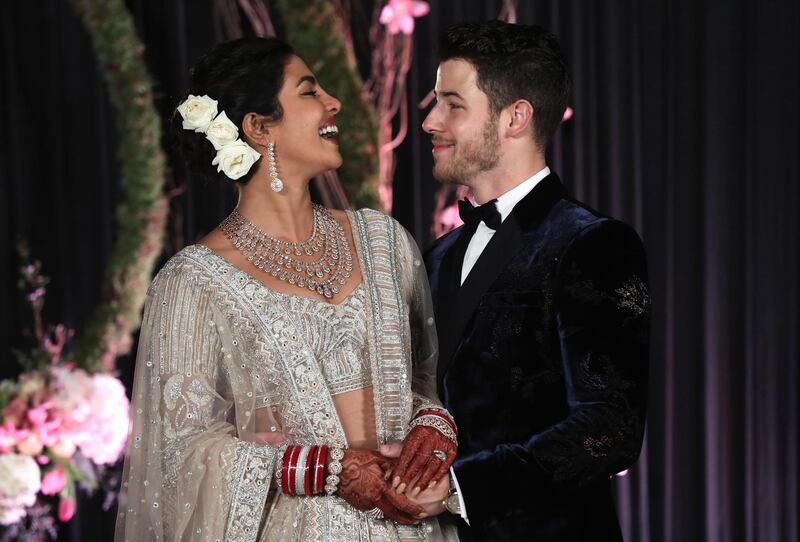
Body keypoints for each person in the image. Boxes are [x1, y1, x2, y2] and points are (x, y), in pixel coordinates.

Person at [114, 37, 459, 542]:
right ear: (258, 128)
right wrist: (321, 467)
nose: (332, 103)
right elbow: (179, 455)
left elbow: (428, 381)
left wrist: (434, 428)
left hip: (414, 525)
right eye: (308, 91)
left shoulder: (383, 241)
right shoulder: (193, 283)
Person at [416, 21, 651, 541]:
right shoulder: (436, 256)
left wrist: (460, 487)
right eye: (435, 102)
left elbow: (610, 430)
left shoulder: (595, 244)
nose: (431, 120)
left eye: (453, 104)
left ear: (515, 117)